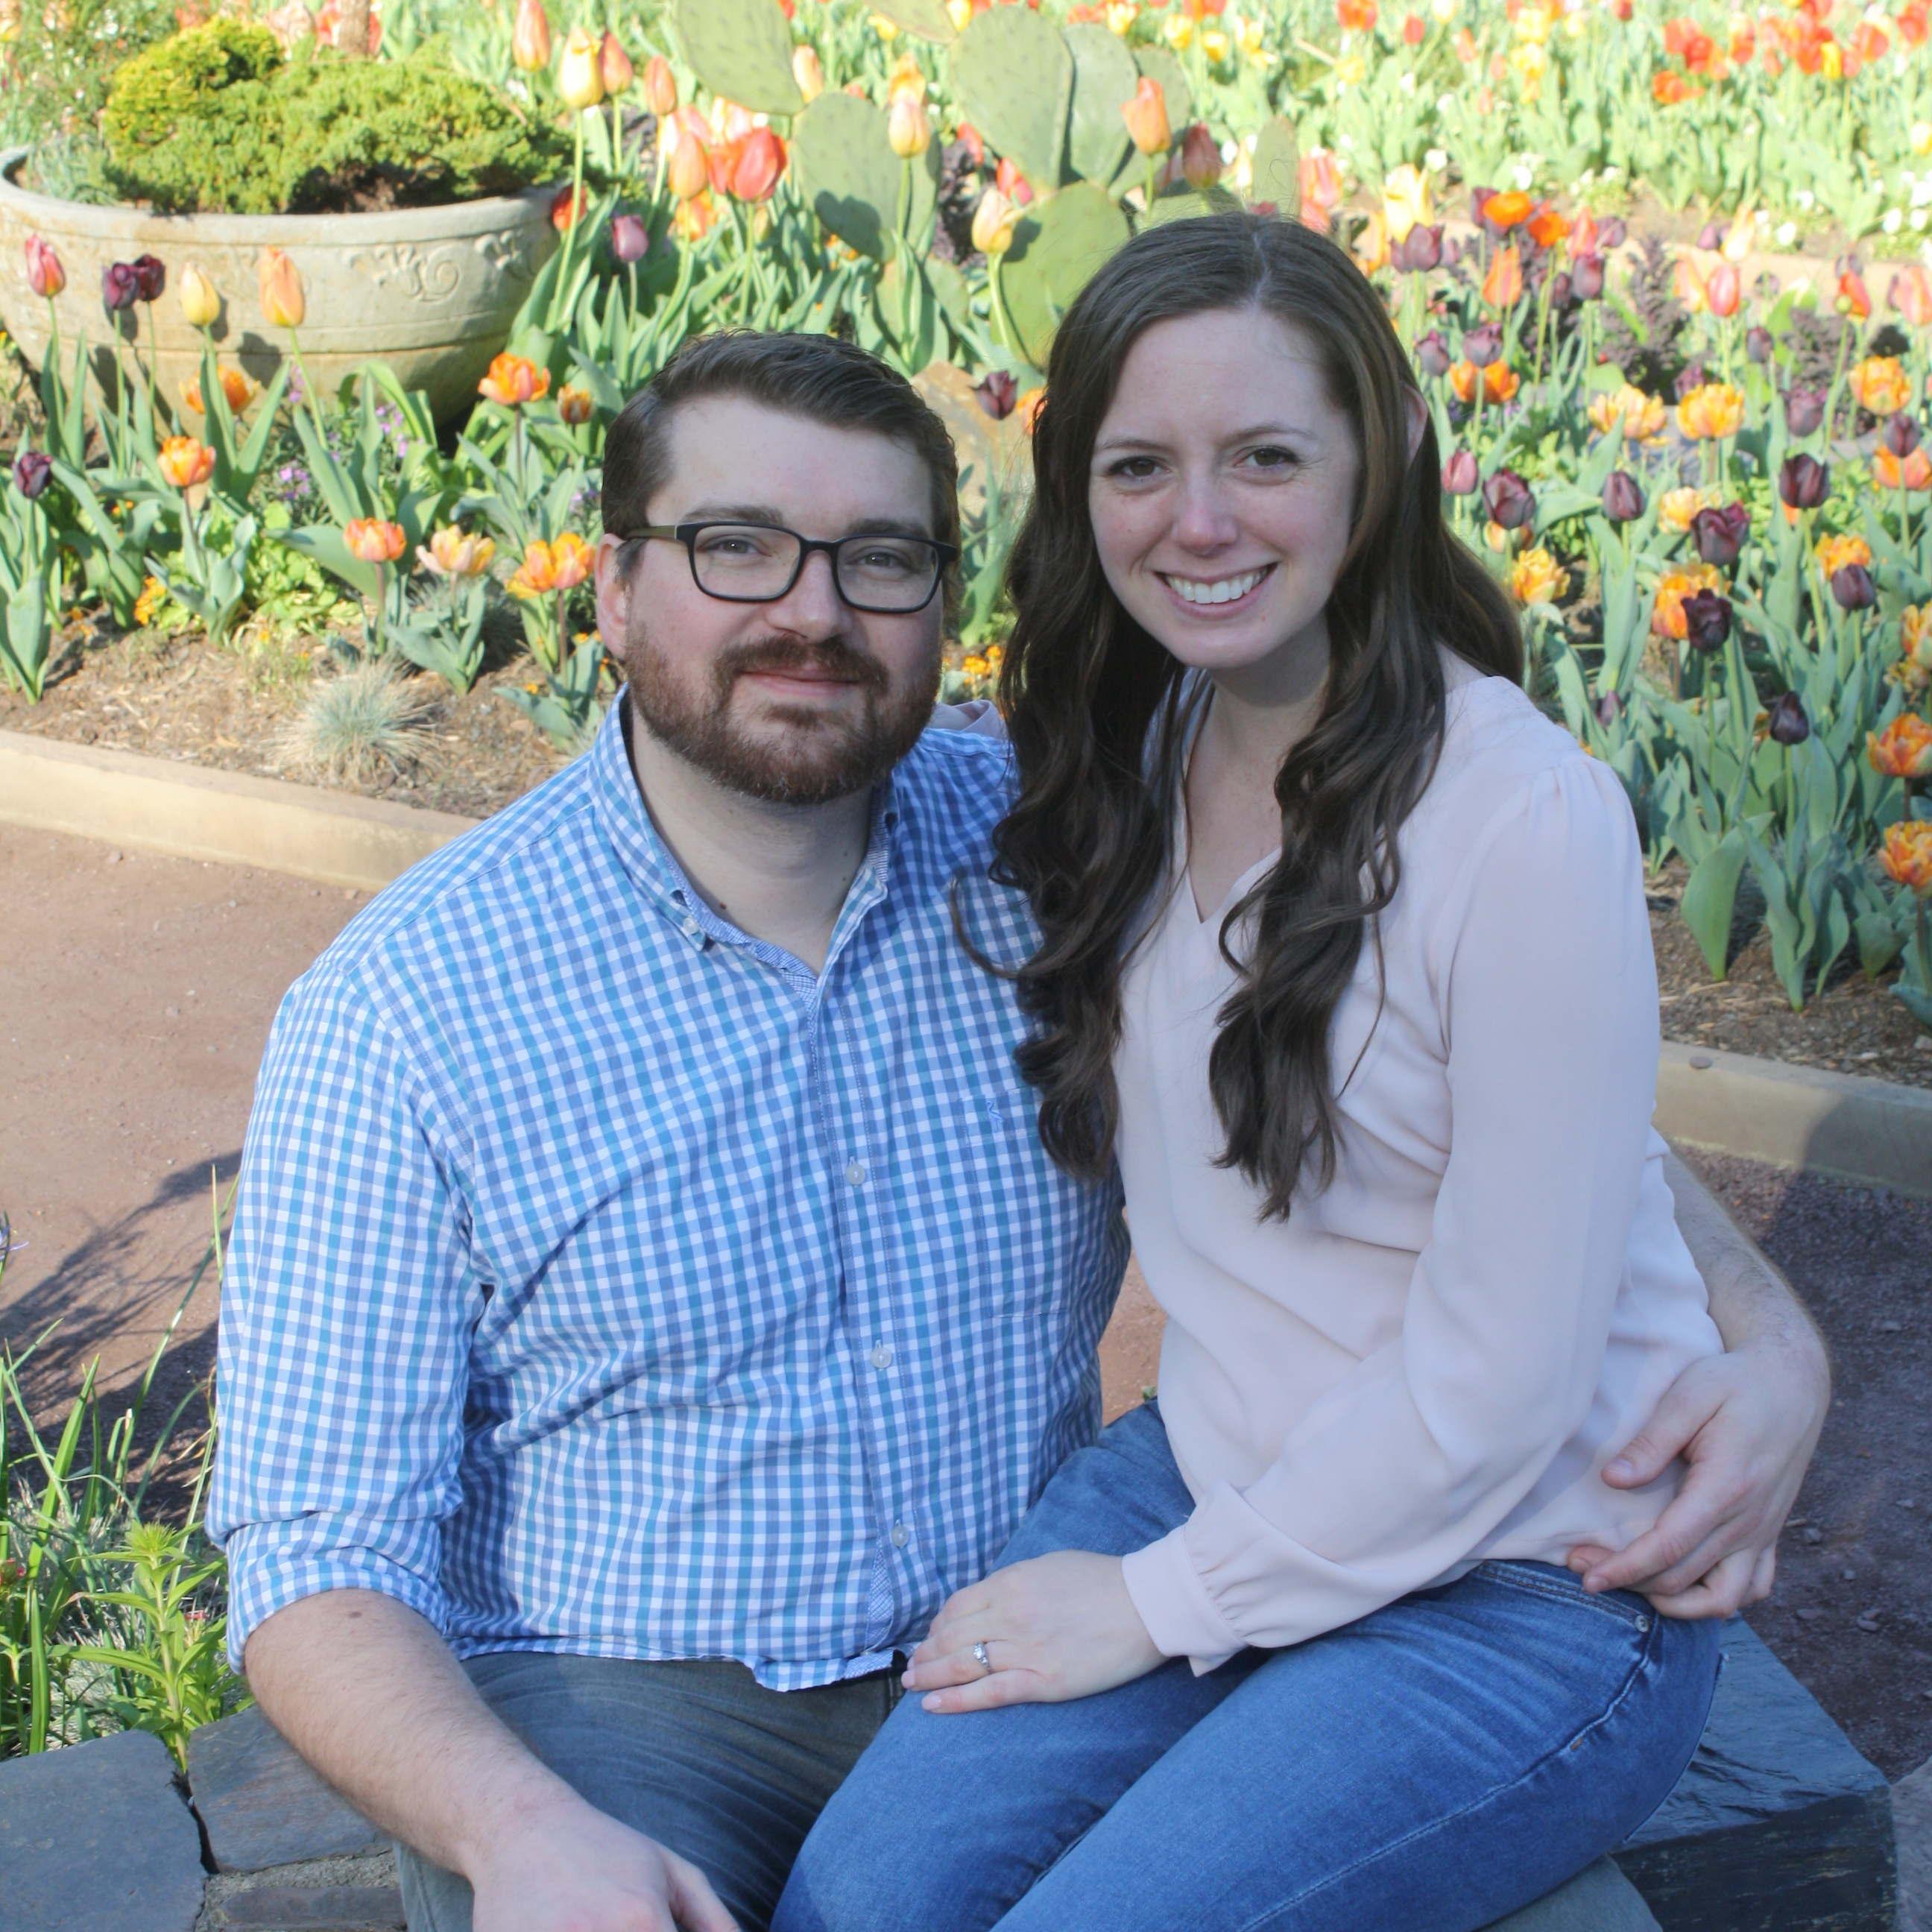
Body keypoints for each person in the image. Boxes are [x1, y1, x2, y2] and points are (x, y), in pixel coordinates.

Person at [206, 327, 1828, 1932]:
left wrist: (1765, 1343)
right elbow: (312, 1550)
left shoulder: (1058, 839)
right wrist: (516, 1834)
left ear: (944, 599)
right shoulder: (407, 1013)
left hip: (1078, 1605)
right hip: (642, 1700)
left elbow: (1506, 1101)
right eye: (737, 547)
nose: (813, 613)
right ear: (615, 586)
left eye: (880, 559)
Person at [773, 215, 1813, 1932]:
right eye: (1140, 465)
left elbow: (1494, 1395)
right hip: (1227, 1461)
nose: (1199, 522)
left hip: (1529, 1579)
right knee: (861, 1904)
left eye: (1266, 456)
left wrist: (1157, 1604)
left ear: (1385, 453)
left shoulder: (1521, 821)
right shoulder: (1134, 744)